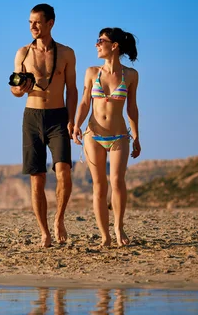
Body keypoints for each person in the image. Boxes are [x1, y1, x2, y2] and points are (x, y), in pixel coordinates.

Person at [9, 3, 78, 248]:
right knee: (36, 179)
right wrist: (21, 88)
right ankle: (44, 232)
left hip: (58, 117)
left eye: (37, 22)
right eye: (30, 23)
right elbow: (14, 90)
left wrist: (72, 120)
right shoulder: (23, 53)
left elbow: (72, 90)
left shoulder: (67, 53)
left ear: (50, 23)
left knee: (63, 173)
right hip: (32, 117)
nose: (33, 27)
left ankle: (59, 219)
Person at [72, 27, 141, 248]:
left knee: (118, 182)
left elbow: (132, 108)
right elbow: (84, 103)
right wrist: (76, 125)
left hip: (120, 135)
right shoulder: (92, 72)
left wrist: (137, 136)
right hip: (94, 134)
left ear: (114, 46)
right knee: (99, 185)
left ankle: (119, 228)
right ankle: (105, 235)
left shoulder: (130, 75)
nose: (96, 44)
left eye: (101, 41)